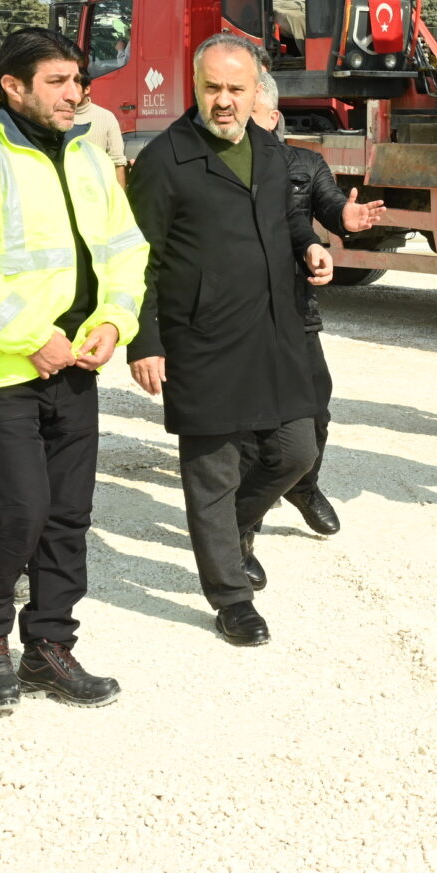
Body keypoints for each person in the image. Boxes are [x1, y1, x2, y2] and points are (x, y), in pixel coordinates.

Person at [0, 27, 147, 713]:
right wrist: (31, 337)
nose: (74, 93)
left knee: (69, 516)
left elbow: (127, 250)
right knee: (20, 511)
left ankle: (49, 644)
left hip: (77, 363)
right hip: (1, 367)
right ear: (12, 88)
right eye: (57, 81)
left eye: (77, 80)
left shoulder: (85, 160)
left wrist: (114, 322)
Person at [126, 33, 332, 649]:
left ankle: (238, 526)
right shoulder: (166, 160)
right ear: (195, 86)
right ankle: (231, 598)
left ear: (254, 91)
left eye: (235, 89)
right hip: (203, 339)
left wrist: (310, 245)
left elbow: (288, 217)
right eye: (212, 87)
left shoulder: (270, 151)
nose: (223, 101)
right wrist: (145, 340)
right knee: (211, 472)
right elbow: (140, 257)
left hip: (276, 330)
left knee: (297, 450)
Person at [249, 71, 384, 535]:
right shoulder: (209, 165)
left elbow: (325, 206)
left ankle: (304, 486)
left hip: (293, 308)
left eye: (247, 109)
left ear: (271, 117)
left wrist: (346, 217)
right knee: (247, 415)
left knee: (315, 408)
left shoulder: (304, 165)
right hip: (234, 312)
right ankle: (250, 505)